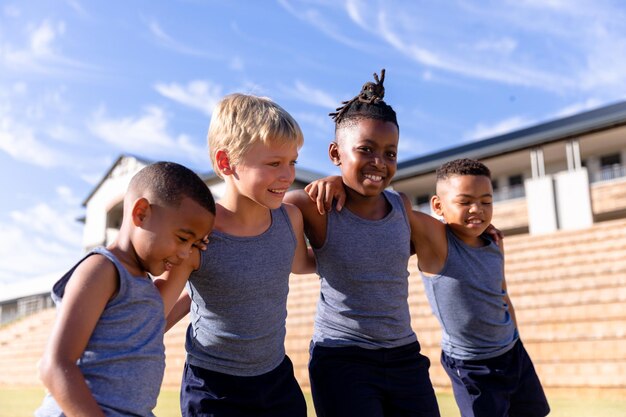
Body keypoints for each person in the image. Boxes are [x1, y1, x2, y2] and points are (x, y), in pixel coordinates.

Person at [285, 69, 441, 417]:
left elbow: (445, 236)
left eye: (390, 153)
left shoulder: (400, 206)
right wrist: (329, 181)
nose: (379, 163)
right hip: (343, 358)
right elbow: (281, 215)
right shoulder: (316, 206)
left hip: (404, 357)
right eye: (365, 150)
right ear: (335, 153)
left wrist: (484, 232)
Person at [157, 93, 315, 417]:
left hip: (277, 382)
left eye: (292, 162)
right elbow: (160, 306)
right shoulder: (199, 231)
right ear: (226, 163)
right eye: (274, 163)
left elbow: (301, 264)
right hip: (214, 390)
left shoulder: (291, 219)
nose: (287, 175)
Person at [36, 161, 216, 417]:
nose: (186, 252)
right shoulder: (102, 270)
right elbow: (54, 366)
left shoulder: (143, 286)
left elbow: (155, 323)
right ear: (141, 213)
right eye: (183, 238)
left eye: (196, 244)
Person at [415, 158, 550, 417]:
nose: (477, 209)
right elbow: (393, 202)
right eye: (465, 202)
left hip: (513, 353)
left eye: (486, 201)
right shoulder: (438, 243)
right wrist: (338, 184)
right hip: (472, 366)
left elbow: (503, 295)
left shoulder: (494, 243)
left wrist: (516, 339)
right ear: (438, 205)